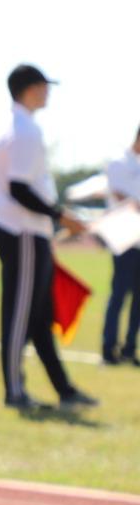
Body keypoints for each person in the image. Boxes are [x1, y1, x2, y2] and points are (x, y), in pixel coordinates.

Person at [0, 65, 97, 411]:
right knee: (20, 315)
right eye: (43, 87)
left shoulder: (20, 128)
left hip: (28, 232)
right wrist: (60, 215)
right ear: (30, 89)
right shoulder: (25, 130)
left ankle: (63, 388)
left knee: (38, 316)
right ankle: (14, 391)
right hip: (22, 232)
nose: (47, 93)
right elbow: (20, 189)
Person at [101, 122, 140, 366]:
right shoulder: (118, 162)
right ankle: (108, 350)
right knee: (118, 295)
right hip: (124, 240)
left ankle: (129, 349)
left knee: (139, 299)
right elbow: (120, 197)